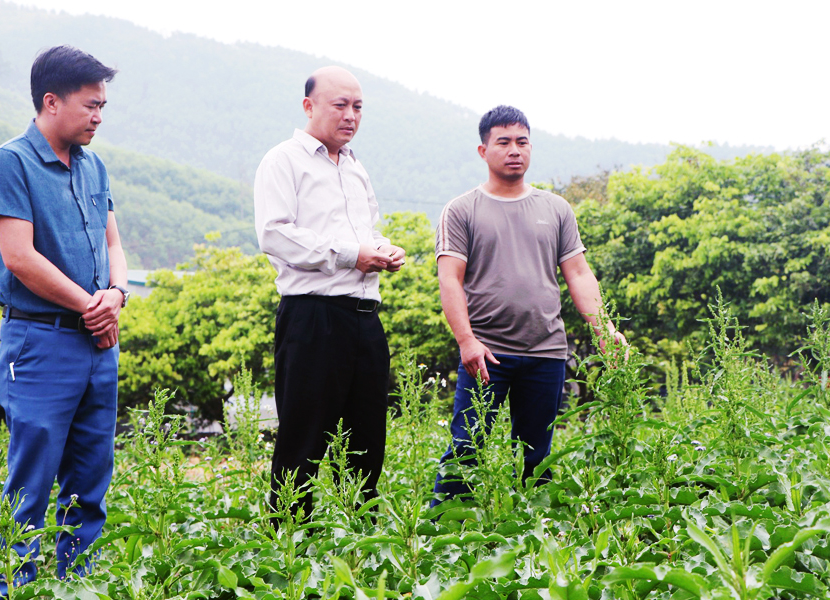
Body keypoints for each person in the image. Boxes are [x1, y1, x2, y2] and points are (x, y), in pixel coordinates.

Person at [0, 45, 127, 597]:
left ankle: (76, 586)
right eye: (91, 105)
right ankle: (10, 589)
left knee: (90, 482)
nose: (98, 117)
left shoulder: (94, 166)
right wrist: (92, 306)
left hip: (98, 342)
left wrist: (115, 293)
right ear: (51, 101)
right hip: (40, 342)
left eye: (103, 106)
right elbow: (19, 256)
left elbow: (114, 241)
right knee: (32, 482)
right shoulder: (10, 163)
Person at [431, 105, 627, 505]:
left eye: (522, 142)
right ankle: (440, 541)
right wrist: (467, 341)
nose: (514, 150)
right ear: (483, 150)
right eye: (503, 142)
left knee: (538, 456)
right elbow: (449, 279)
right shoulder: (462, 209)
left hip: (546, 352)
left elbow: (578, 274)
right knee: (466, 451)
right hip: (486, 353)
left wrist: (605, 330)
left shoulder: (555, 209)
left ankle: (539, 540)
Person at [254, 66, 406, 520]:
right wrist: (350, 254)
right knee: (303, 440)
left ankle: (360, 547)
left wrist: (381, 249)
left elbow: (365, 232)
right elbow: (275, 234)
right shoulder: (284, 160)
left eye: (358, 106)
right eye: (340, 105)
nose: (350, 115)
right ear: (309, 106)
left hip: (364, 318)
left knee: (367, 443)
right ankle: (289, 550)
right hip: (312, 317)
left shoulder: (356, 168)